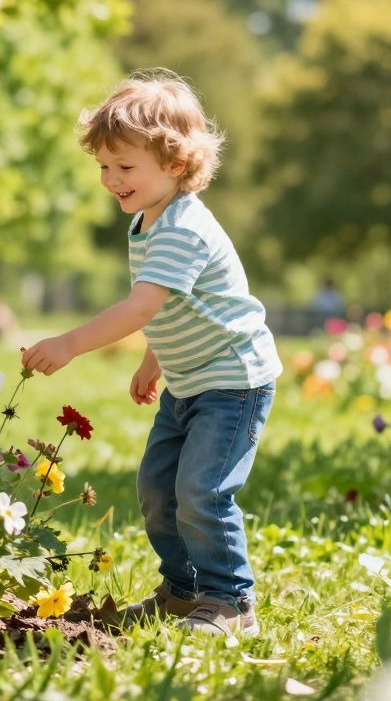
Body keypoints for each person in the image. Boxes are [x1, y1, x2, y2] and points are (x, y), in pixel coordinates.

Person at [21, 70, 280, 637]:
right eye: (104, 167)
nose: (112, 179)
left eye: (125, 166)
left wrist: (69, 343)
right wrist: (153, 360)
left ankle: (230, 601)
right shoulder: (146, 220)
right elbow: (170, 307)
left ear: (176, 163)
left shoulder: (184, 227)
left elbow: (140, 308)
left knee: (202, 490)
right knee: (158, 489)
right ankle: (182, 591)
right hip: (189, 378)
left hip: (233, 380)